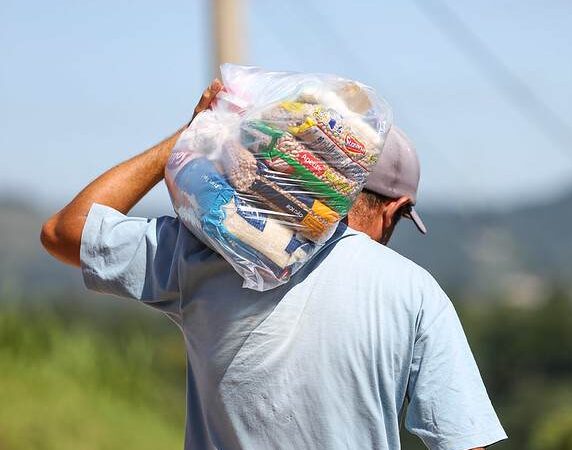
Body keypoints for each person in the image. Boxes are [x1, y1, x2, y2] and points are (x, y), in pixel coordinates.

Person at [41, 80, 506, 450]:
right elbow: (462, 443)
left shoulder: (211, 252)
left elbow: (65, 231)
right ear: (396, 209)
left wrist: (189, 134)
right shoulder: (415, 292)